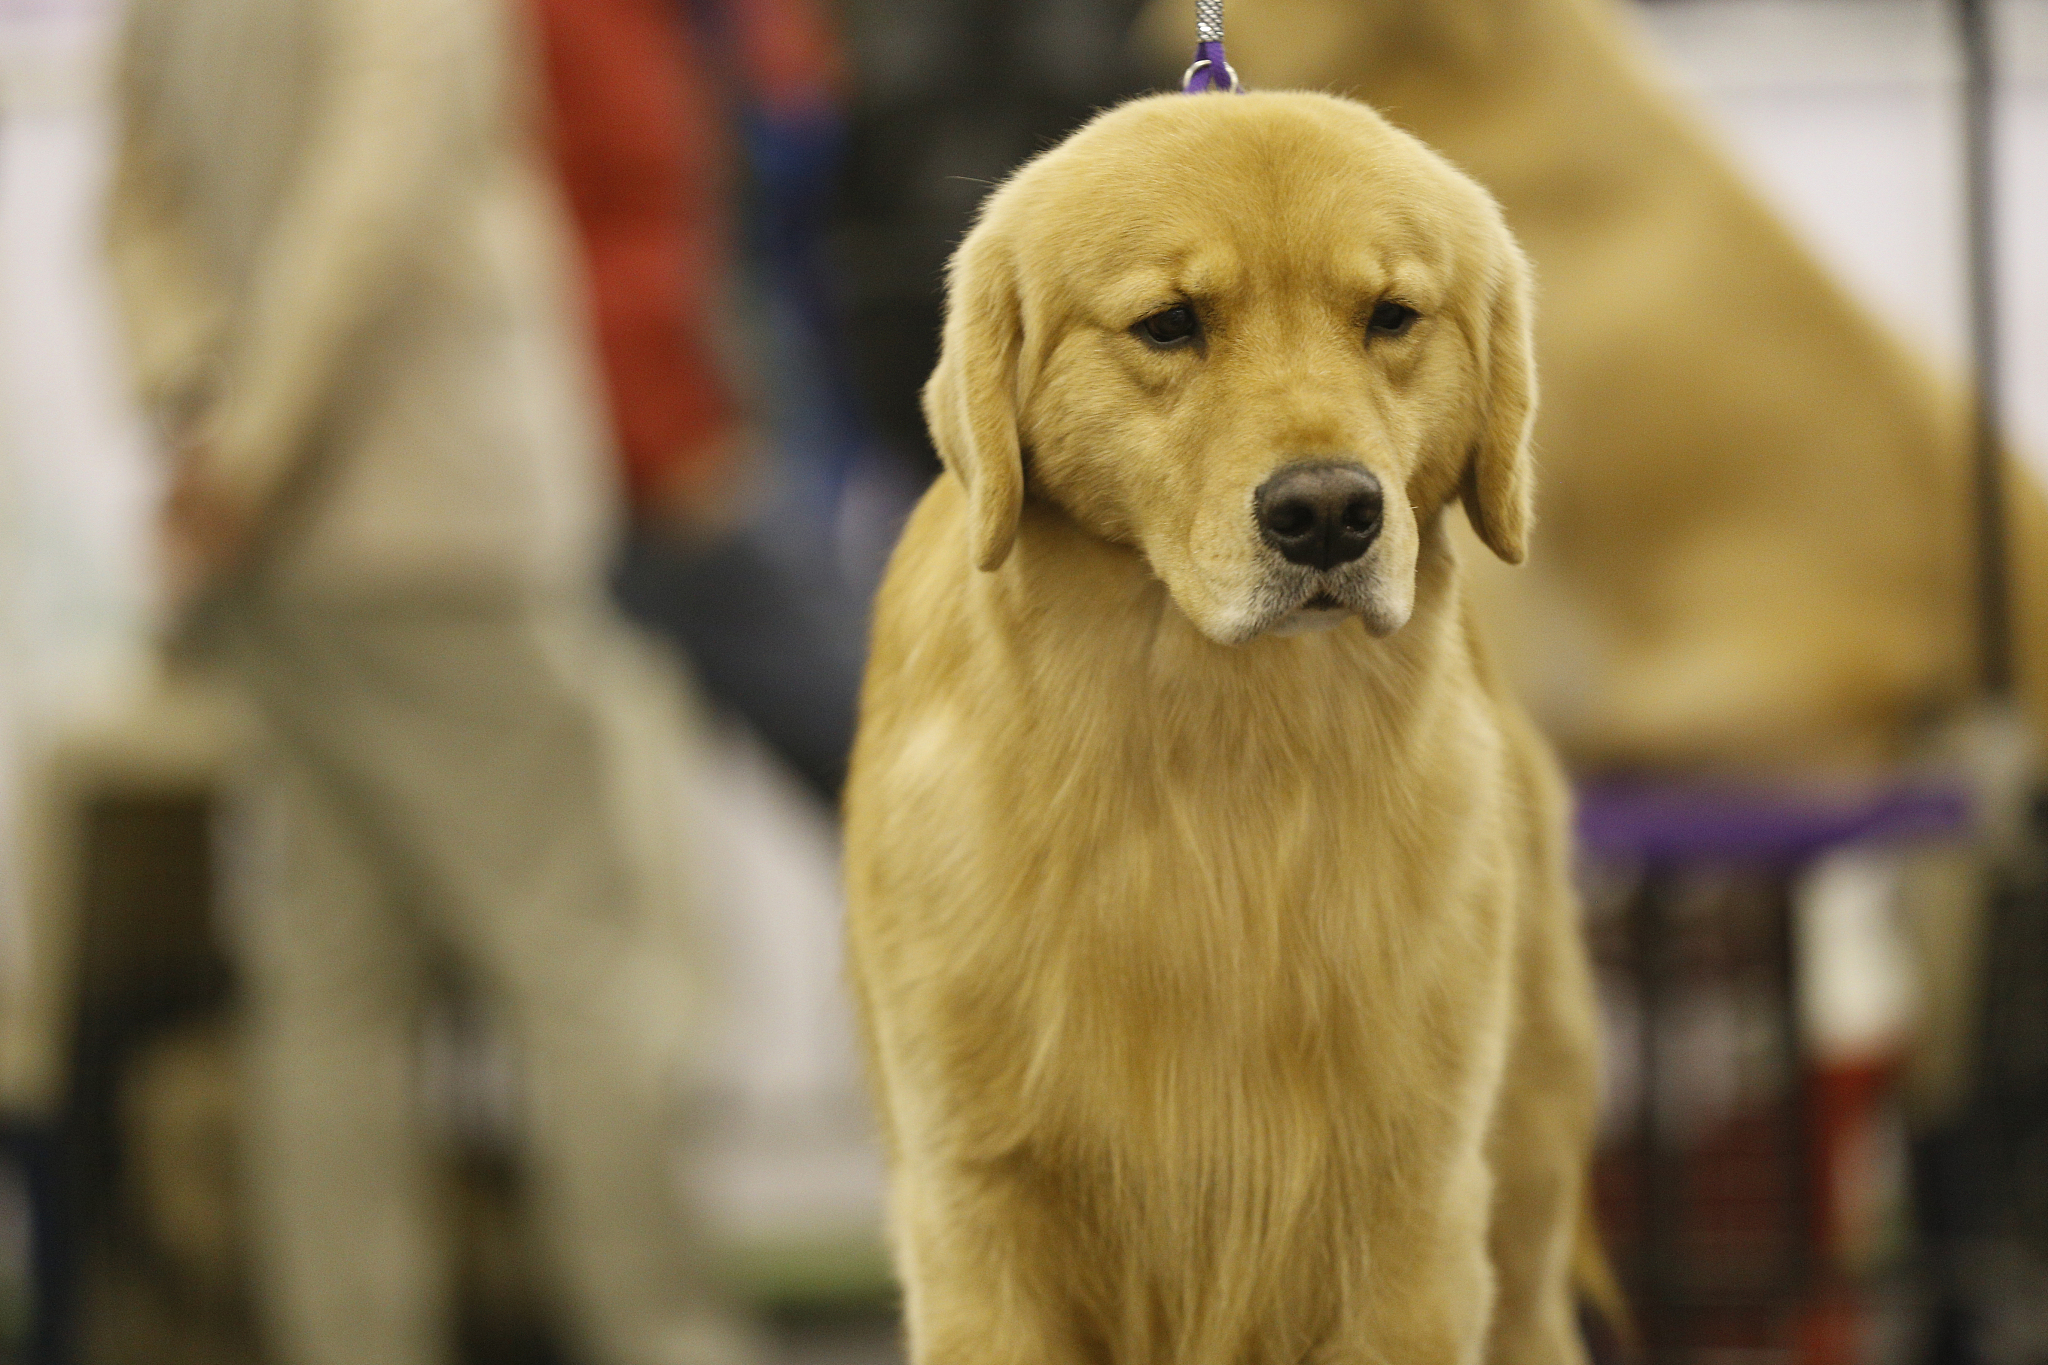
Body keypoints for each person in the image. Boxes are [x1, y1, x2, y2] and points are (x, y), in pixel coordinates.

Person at [103, 1, 751, 1362]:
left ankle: (350, 1335)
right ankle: (661, 1333)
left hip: (279, 556)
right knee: (580, 953)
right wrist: (253, 449)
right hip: (442, 516)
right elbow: (370, 205)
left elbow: (135, 205)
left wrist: (206, 413)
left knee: (330, 976)